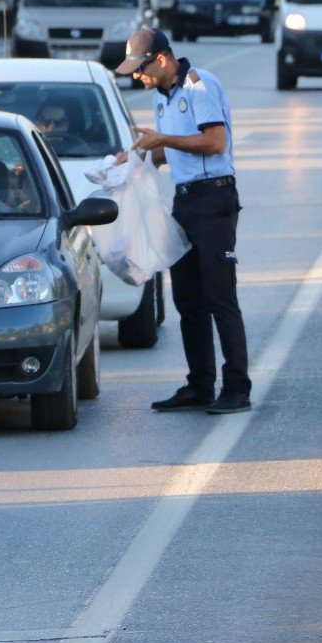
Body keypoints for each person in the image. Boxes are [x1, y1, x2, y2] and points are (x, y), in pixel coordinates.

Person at [115, 27, 251, 414]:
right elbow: (172, 153)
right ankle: (200, 385)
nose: (135, 76)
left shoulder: (198, 86)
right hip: (186, 200)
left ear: (160, 60)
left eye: (139, 69)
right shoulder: (162, 96)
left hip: (214, 199)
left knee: (219, 297)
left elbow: (214, 142)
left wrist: (163, 141)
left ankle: (237, 388)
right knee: (187, 298)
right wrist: (136, 159)